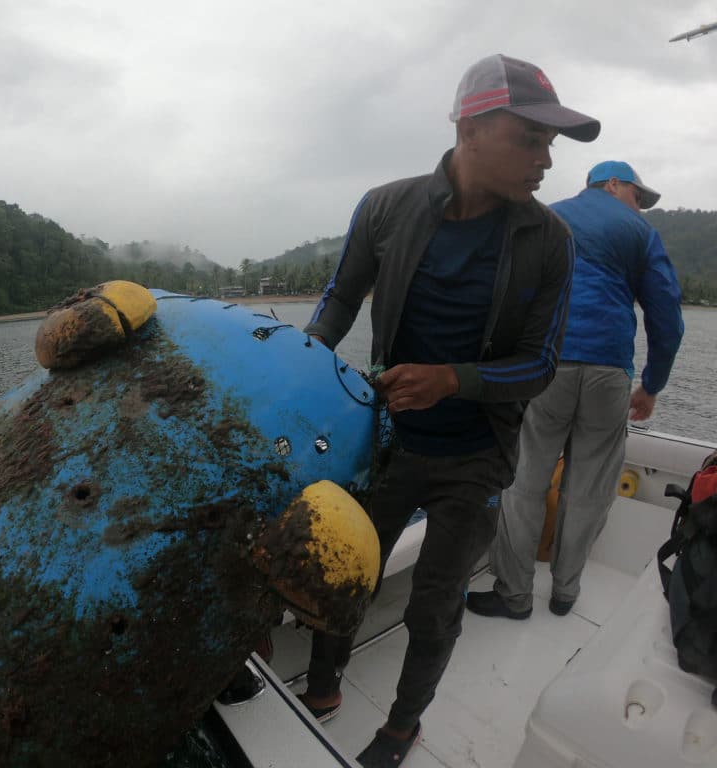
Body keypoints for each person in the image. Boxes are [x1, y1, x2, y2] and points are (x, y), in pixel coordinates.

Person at [297, 53, 599, 768]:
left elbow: (541, 363)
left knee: (435, 604)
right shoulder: (385, 207)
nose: (545, 161)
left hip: (474, 453)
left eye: (550, 145)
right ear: (469, 128)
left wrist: (451, 380)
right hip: (384, 439)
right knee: (343, 570)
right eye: (529, 139)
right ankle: (321, 685)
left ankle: (402, 726)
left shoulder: (550, 241)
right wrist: (299, 367)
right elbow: (341, 298)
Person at [466, 161, 684, 621]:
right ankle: (565, 592)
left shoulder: (548, 217)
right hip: (609, 373)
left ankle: (515, 595)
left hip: (547, 366)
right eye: (636, 194)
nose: (639, 205)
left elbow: (504, 291)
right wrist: (652, 385)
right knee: (589, 488)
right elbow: (667, 318)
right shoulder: (640, 234)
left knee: (524, 481)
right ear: (611, 183)